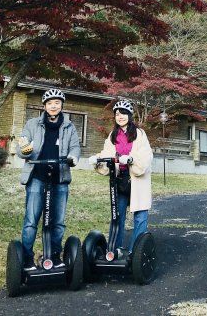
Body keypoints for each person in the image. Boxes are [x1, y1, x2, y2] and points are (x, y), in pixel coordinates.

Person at [17, 88, 81, 270]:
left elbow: (75, 147)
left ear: (61, 105)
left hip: (60, 176)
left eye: (57, 103)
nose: (54, 106)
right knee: (31, 219)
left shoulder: (69, 126)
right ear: (44, 106)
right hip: (37, 175)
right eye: (50, 103)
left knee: (58, 221)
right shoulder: (32, 124)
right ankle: (27, 259)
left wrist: (73, 157)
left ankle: (54, 255)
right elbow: (22, 145)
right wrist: (25, 150)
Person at [88, 99, 153, 256]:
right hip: (120, 178)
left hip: (137, 179)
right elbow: (107, 153)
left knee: (140, 216)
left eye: (123, 113)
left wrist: (131, 159)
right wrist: (97, 159)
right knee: (117, 215)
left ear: (129, 115)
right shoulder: (113, 135)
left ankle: (136, 252)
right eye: (117, 114)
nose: (120, 116)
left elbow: (146, 155)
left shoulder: (139, 134)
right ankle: (114, 251)